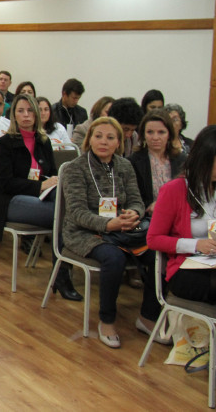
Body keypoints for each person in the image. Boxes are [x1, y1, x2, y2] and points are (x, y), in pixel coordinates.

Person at [146, 125, 216, 409]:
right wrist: (196, 245)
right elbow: (153, 239)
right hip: (188, 273)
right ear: (205, 158)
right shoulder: (175, 190)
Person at [62, 117, 160, 348]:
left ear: (119, 142)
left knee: (159, 253)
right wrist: (108, 225)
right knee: (113, 258)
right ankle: (106, 320)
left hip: (124, 228)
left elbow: (137, 200)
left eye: (110, 137)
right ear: (89, 139)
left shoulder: (125, 166)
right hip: (83, 231)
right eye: (98, 136)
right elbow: (76, 213)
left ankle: (147, 316)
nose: (103, 142)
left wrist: (133, 214)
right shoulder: (75, 168)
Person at [0, 95, 81, 298]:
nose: (26, 115)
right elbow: (3, 182)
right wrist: (39, 185)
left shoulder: (43, 141)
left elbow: (50, 172)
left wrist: (50, 183)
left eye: (30, 111)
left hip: (40, 195)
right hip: (9, 200)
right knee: (61, 214)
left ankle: (61, 271)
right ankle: (62, 273)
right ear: (14, 115)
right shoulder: (5, 144)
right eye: (20, 111)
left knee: (66, 206)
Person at [128, 110, 186, 228]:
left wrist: (163, 205)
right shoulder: (133, 161)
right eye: (150, 132)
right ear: (143, 134)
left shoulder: (182, 160)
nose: (155, 137)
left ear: (169, 134)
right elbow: (132, 197)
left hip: (178, 216)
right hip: (148, 217)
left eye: (161, 132)